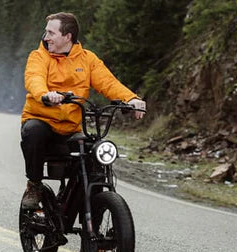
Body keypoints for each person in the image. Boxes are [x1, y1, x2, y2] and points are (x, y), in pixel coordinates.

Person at [20, 12, 146, 208]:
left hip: (70, 128)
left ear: (67, 36)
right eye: (46, 33)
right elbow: (33, 79)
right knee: (32, 131)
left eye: (51, 33)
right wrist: (46, 94)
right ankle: (34, 185)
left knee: (95, 155)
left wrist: (130, 98)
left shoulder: (87, 59)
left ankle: (93, 209)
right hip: (43, 121)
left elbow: (108, 83)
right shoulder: (39, 57)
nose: (46, 38)